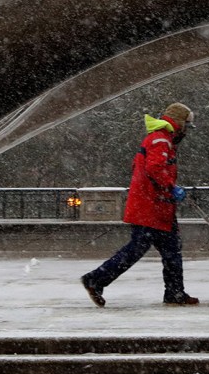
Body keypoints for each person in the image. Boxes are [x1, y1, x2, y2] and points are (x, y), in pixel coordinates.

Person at [80, 102, 199, 306]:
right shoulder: (161, 140)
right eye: (186, 126)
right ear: (179, 122)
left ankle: (175, 292)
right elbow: (155, 168)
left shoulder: (162, 139)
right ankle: (96, 279)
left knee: (171, 249)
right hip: (150, 207)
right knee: (138, 249)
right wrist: (171, 187)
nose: (187, 131)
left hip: (158, 207)